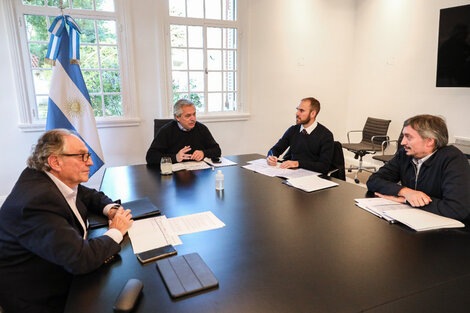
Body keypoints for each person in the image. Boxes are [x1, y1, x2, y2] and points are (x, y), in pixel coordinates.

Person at [0, 129, 133, 313]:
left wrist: (110, 208)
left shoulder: (46, 176)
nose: (91, 162)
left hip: (61, 270)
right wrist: (116, 231)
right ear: (55, 162)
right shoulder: (37, 201)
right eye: (82, 156)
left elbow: (86, 193)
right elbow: (79, 259)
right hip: (40, 296)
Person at [367, 114, 470, 221]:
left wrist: (406, 200)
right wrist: (405, 192)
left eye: (408, 137)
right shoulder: (404, 154)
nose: (402, 142)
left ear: (429, 141)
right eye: (403, 136)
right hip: (415, 219)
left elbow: (457, 209)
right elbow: (374, 181)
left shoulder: (453, 159)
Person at [266, 97, 334, 174]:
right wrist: (271, 156)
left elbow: (324, 167)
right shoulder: (293, 130)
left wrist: (297, 163)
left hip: (313, 178)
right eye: (297, 109)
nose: (297, 113)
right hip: (291, 174)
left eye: (301, 110)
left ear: (313, 114)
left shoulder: (326, 135)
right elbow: (276, 149)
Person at [146, 99, 221, 165]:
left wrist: (203, 153)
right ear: (177, 117)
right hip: (174, 176)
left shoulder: (201, 128)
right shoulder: (166, 131)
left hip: (197, 173)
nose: (193, 119)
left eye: (194, 114)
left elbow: (217, 150)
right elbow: (151, 157)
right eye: (188, 116)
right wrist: (175, 157)